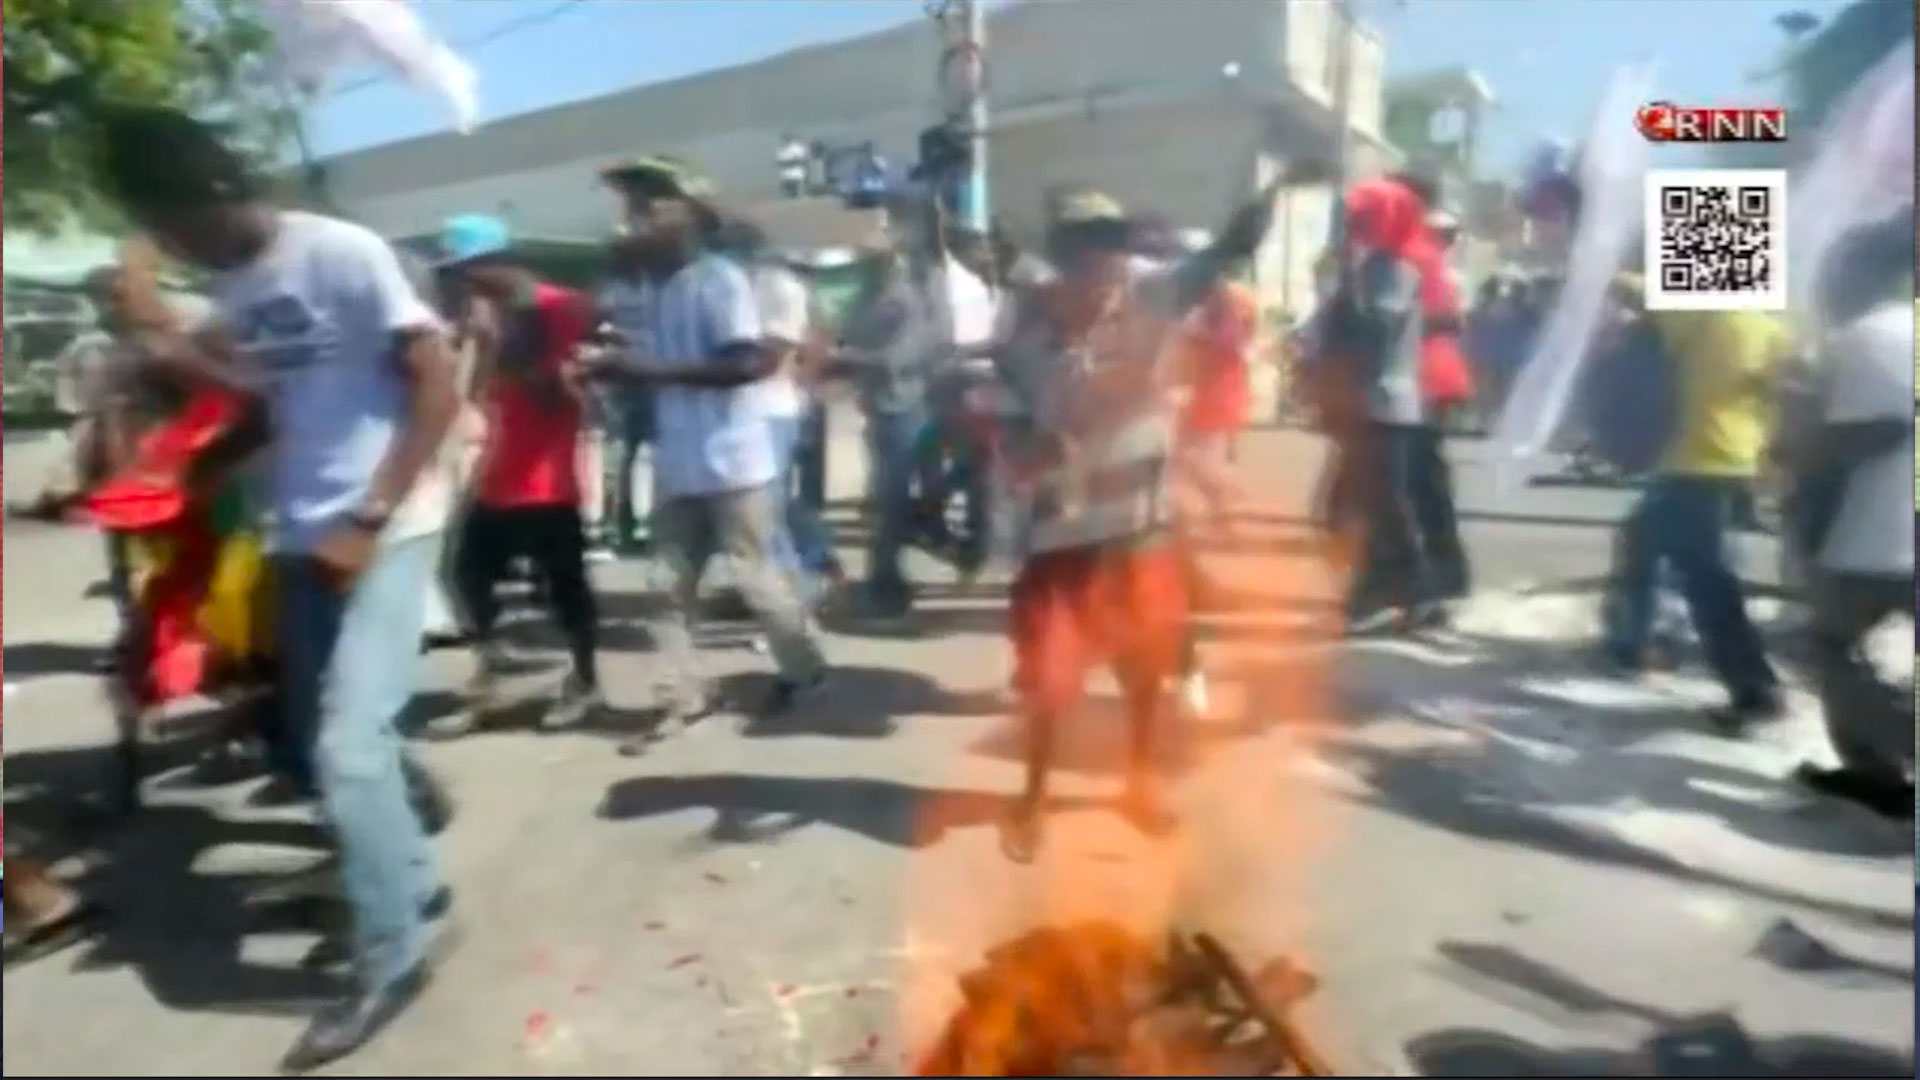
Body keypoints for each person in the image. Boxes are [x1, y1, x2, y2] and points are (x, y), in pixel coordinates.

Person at [95, 105, 460, 1072]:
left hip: (387, 527)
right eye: (159, 230)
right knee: (312, 738)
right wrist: (189, 472)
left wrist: (371, 515)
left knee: (346, 750)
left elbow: (437, 383)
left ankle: (391, 954)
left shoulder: (340, 250)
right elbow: (266, 402)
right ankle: (414, 889)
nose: (175, 243)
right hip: (300, 536)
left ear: (218, 186)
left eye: (176, 221)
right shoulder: (233, 288)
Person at [988, 183, 1281, 863]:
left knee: (1146, 670)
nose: (1102, 262)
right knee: (1050, 678)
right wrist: (1028, 447)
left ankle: (1139, 786)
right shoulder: (1025, 331)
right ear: (1061, 257)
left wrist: (1256, 209)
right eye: (1085, 249)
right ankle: (1030, 799)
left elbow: (1222, 256)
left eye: (1111, 246)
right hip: (1060, 534)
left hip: (1141, 529)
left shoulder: (1151, 300)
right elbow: (1001, 421)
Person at [586, 155, 828, 738]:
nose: (638, 217)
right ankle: (685, 694)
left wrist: (646, 370)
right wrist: (615, 370)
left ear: (692, 213)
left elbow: (746, 362)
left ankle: (805, 671)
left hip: (735, 463)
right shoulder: (656, 288)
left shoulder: (718, 279)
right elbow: (647, 364)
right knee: (665, 588)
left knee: (757, 582)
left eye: (653, 203)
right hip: (678, 465)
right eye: (633, 205)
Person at [434, 214, 604, 735]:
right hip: (498, 471)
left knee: (564, 586)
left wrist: (496, 341)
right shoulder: (490, 316)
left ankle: (585, 682)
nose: (464, 282)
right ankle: (495, 677)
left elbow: (555, 389)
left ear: (493, 262)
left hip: (547, 477)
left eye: (467, 271)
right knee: (464, 575)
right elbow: (476, 392)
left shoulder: (560, 307)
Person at [1599, 283, 1793, 729]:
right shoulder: (1769, 328)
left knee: (1706, 578)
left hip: (1690, 461)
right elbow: (1785, 390)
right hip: (1737, 458)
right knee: (1644, 539)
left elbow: (1632, 289)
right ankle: (1635, 641)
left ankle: (1752, 685)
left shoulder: (1689, 316)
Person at [1783, 214, 1915, 817]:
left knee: (1833, 648)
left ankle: (1882, 770)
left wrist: (1805, 447)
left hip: (1875, 537)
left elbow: (1876, 429)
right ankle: (1875, 770)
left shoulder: (1867, 336)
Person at [835, 202, 995, 618]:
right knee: (899, 498)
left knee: (892, 500)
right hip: (886, 408)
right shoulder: (874, 297)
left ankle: (887, 581)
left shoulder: (902, 300)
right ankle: (935, 549)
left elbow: (897, 359)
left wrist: (839, 357)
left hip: (906, 406)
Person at [1318, 178, 1443, 633]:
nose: (1353, 226)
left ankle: (1413, 592)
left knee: (1380, 504)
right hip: (1366, 402)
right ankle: (1390, 591)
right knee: (1361, 505)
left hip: (1382, 401)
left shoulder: (1392, 268)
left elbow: (1374, 325)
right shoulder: (1372, 266)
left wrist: (1347, 278)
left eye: (1361, 218)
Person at [721, 220, 843, 601]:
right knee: (775, 505)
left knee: (768, 510)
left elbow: (774, 353)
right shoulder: (746, 285)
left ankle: (797, 595)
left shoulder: (776, 286)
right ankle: (812, 568)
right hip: (758, 409)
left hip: (773, 409)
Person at [777, 133, 810, 199]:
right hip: (790, 174)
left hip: (794, 174)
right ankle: (795, 195)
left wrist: (790, 161)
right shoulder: (782, 149)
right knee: (791, 193)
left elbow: (803, 159)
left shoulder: (794, 148)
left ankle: (797, 195)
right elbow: (779, 161)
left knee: (797, 191)